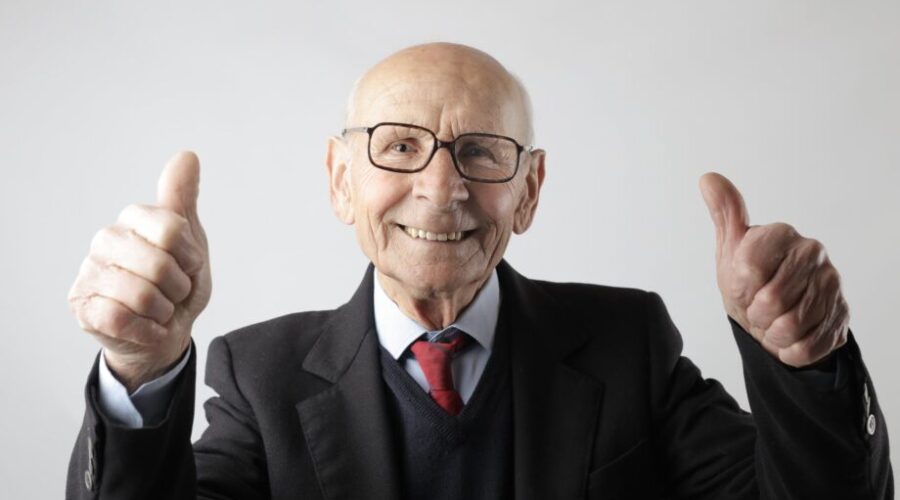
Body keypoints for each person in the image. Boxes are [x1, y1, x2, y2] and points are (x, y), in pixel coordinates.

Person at [66, 42, 892, 499]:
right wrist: (140, 369)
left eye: (481, 153)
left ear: (528, 191)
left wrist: (806, 361)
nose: (442, 187)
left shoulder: (625, 343)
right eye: (398, 146)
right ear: (340, 181)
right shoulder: (261, 374)